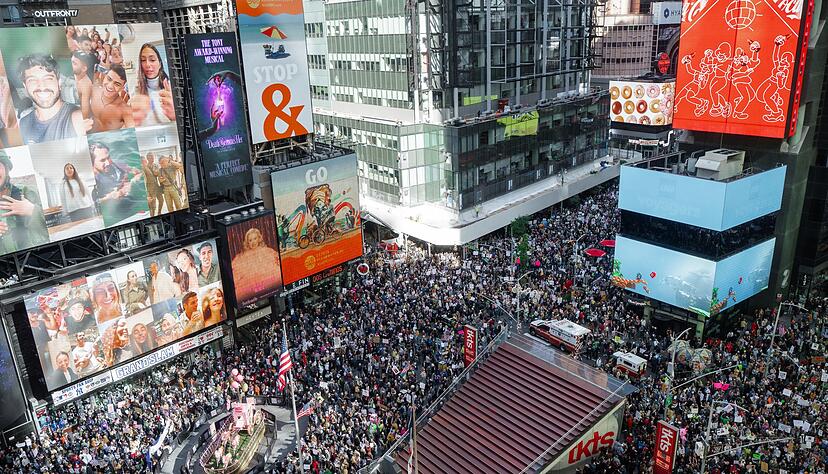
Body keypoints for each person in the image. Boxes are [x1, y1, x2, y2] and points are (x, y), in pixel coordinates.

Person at [16, 54, 90, 144]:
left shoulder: (77, 118)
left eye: (48, 79)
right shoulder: (24, 123)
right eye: (32, 80)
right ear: (25, 86)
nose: (42, 86)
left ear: (59, 83)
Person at [0, 151, 49, 255]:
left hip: (40, 257)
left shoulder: (29, 192)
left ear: (6, 168)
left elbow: (57, 231)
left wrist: (33, 211)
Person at [89, 141, 144, 224]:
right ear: (92, 163)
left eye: (108, 157)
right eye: (102, 160)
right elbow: (94, 204)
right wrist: (109, 197)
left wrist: (131, 182)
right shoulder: (93, 180)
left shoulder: (117, 164)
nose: (108, 162)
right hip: (114, 214)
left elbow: (139, 172)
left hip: (132, 202)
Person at [231, 227, 281, 304]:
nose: (253, 242)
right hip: (252, 294)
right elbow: (235, 274)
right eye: (250, 240)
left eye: (255, 238)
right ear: (247, 242)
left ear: (259, 239)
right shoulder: (242, 257)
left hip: (271, 287)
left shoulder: (268, 251)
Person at [129, 43, 175, 126]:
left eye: (152, 60)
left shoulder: (172, 88)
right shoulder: (135, 91)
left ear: (160, 64)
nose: (147, 65)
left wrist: (175, 117)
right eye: (143, 60)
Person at [90, 64, 133, 132]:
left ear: (122, 87)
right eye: (109, 79)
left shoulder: (124, 110)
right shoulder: (94, 91)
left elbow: (133, 130)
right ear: (104, 76)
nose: (110, 86)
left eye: (117, 84)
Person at [70, 51, 96, 119]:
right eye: (71, 61)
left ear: (84, 68)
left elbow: (85, 113)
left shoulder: (86, 85)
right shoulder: (76, 75)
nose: (71, 65)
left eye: (74, 63)